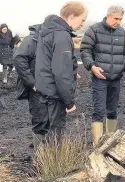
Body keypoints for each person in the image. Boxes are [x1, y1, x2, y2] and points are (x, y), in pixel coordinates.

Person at [35, 1, 88, 142]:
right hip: (55, 94)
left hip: (45, 90)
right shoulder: (62, 36)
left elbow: (49, 62)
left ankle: (45, 162)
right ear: (71, 16)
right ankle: (54, 164)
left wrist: (71, 70)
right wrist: (69, 102)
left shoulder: (48, 32)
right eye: (82, 19)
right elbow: (61, 73)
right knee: (55, 135)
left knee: (48, 133)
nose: (83, 23)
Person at [80, 5, 125, 145]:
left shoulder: (121, 32)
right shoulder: (94, 29)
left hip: (116, 79)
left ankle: (111, 143)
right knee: (99, 111)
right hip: (100, 79)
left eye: (120, 19)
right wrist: (92, 67)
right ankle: (98, 146)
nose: (118, 22)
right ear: (108, 16)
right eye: (116, 18)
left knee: (113, 110)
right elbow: (85, 50)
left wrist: (123, 65)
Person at [13, 14, 57, 148]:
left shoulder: (55, 39)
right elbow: (19, 59)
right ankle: (40, 155)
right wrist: (32, 82)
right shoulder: (32, 40)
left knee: (53, 119)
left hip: (53, 86)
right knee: (40, 119)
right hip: (37, 87)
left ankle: (50, 150)